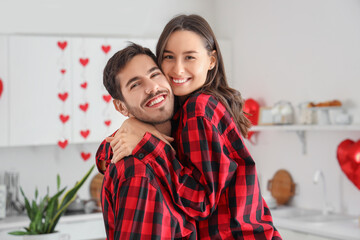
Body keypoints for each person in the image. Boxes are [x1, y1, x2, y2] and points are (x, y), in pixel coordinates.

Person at [102, 14, 282, 239]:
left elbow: (200, 202)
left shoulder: (199, 109)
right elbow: (110, 154)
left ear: (211, 61)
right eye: (169, 57)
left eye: (189, 57)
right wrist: (133, 130)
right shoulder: (182, 110)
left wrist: (148, 144)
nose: (177, 70)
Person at [97, 43, 197, 240]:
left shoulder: (186, 142)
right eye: (135, 84)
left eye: (154, 74)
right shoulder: (138, 172)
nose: (153, 88)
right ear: (121, 107)